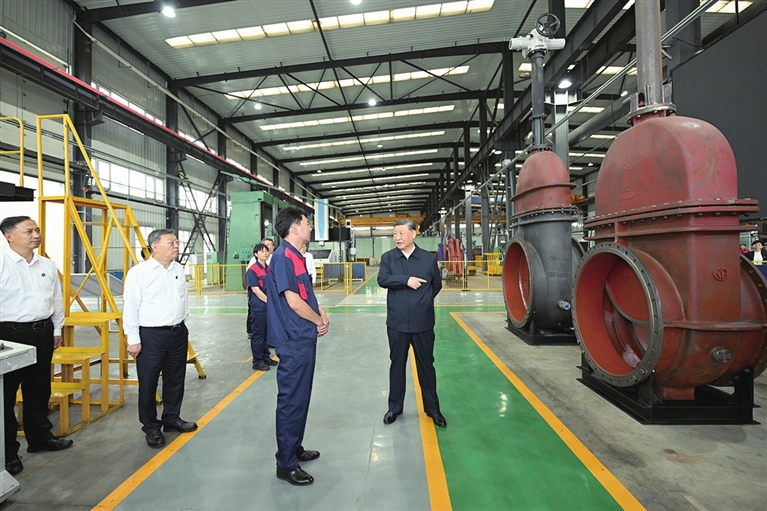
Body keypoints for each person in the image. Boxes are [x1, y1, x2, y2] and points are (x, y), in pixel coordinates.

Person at [0, 216, 73, 476]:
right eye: (28, 231)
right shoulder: (2, 263)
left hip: (42, 332)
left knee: (39, 389)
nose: (36, 234)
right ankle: (7, 453)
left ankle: (40, 438)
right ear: (9, 236)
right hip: (8, 335)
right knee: (5, 396)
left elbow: (57, 299)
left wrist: (56, 329)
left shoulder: (47, 265)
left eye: (37, 230)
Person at [266, 207, 329, 486]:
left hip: (302, 338)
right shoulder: (283, 257)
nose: (310, 228)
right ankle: (286, 464)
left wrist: (320, 312)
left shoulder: (297, 256)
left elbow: (305, 292)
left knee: (301, 397)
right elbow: (292, 302)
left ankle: (295, 448)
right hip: (293, 340)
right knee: (291, 401)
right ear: (294, 228)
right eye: (307, 223)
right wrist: (317, 321)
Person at [123, 229, 198, 448]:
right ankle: (151, 427)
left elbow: (183, 298)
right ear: (155, 247)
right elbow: (131, 307)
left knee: (175, 378)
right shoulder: (139, 273)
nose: (176, 245)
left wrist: (182, 321)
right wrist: (133, 338)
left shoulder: (178, 269)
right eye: (171, 242)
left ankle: (172, 418)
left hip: (177, 332)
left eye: (176, 242)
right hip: (151, 335)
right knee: (148, 382)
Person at [377, 219, 446, 428]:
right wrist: (406, 280)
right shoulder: (388, 258)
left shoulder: (427, 259)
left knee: (426, 366)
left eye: (401, 233)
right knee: (397, 365)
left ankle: (433, 410)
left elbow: (436, 285)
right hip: (397, 323)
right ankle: (394, 408)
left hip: (422, 323)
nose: (397, 237)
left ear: (413, 234)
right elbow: (383, 279)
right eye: (394, 234)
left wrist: (422, 302)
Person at [247, 243, 276, 371]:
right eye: (262, 251)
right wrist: (270, 302)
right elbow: (256, 290)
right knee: (258, 334)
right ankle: (257, 361)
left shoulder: (269, 269)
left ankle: (265, 357)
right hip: (259, 308)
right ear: (256, 254)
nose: (265, 253)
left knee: (266, 333)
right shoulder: (252, 270)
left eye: (266, 251)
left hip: (268, 307)